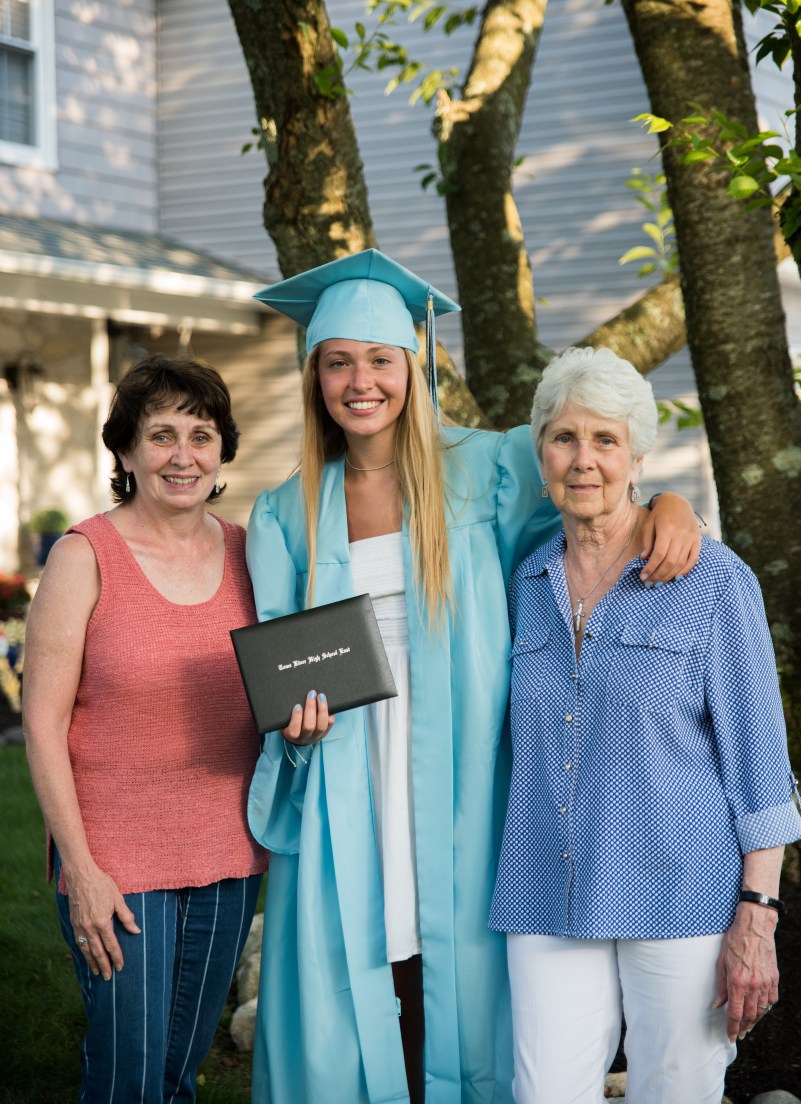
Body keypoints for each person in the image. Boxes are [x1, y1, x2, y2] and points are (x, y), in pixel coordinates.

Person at [245, 249, 700, 1103]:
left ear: (412, 366)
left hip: (465, 776)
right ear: (314, 376)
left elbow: (596, 489)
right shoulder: (284, 513)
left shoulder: (488, 468)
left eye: (380, 360)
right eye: (337, 362)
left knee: (465, 984)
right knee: (358, 976)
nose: (360, 382)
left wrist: (672, 504)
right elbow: (278, 669)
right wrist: (294, 731)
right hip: (347, 771)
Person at [489, 345, 801, 1104]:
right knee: (543, 1093)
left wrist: (757, 916)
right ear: (540, 454)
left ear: (636, 459)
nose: (583, 459)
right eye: (564, 438)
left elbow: (759, 762)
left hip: (680, 892)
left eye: (605, 439)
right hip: (545, 888)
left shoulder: (713, 579)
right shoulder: (522, 581)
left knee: (676, 1091)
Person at [23, 355, 268, 1104]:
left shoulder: (251, 554)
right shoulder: (83, 557)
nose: (182, 455)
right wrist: (81, 870)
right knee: (127, 1077)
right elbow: (41, 723)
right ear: (126, 452)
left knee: (176, 1076)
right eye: (161, 435)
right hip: (117, 862)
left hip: (229, 855)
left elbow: (277, 686)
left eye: (201, 435)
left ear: (222, 451)